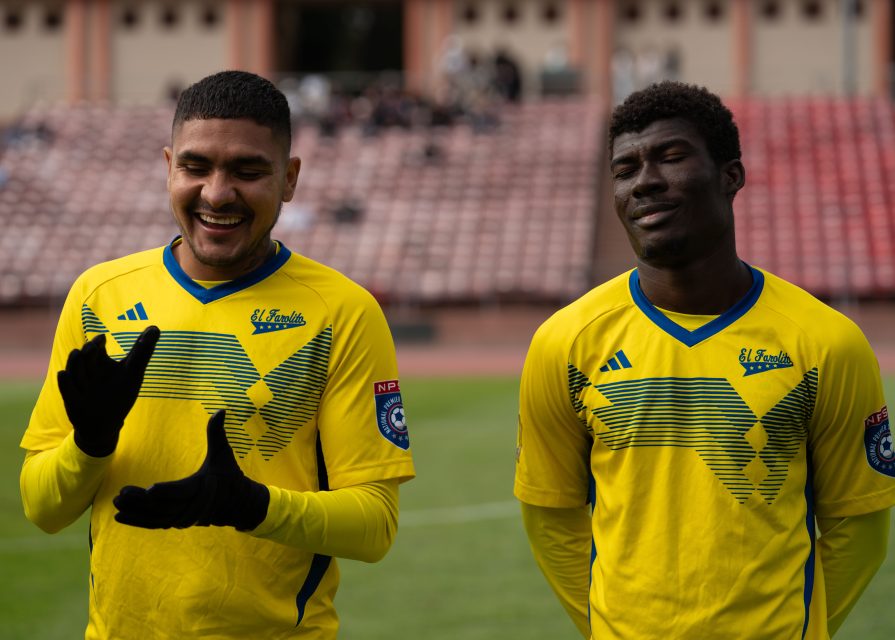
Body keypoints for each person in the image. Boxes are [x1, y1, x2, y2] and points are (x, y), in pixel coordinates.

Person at [20, 70, 415, 639]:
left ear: (289, 178)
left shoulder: (343, 312)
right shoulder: (99, 296)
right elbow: (43, 508)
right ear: (169, 168)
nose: (217, 193)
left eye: (247, 171)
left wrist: (250, 506)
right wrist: (90, 443)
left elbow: (375, 527)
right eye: (196, 166)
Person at [514, 81, 895, 638]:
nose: (644, 181)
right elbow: (551, 517)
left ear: (730, 175)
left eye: (671, 157)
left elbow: (859, 527)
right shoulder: (565, 342)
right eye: (625, 169)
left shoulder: (827, 342)